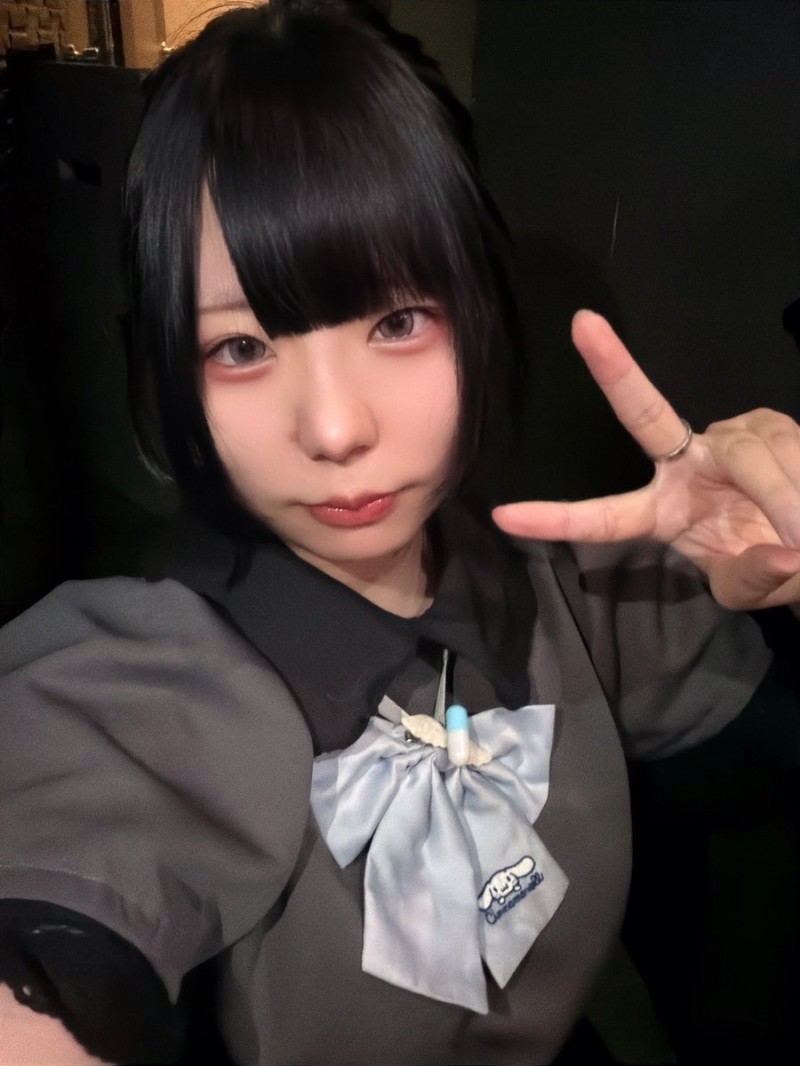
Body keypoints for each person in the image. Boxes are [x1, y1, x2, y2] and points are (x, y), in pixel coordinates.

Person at [0, 2, 798, 1063]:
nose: (335, 429)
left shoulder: (571, 588)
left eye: (396, 321)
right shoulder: (151, 680)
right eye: (241, 348)